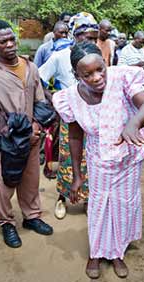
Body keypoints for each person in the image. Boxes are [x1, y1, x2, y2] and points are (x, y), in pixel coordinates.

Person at [52, 42, 144, 279]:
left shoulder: (123, 78)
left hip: (128, 157)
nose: (97, 77)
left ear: (106, 63)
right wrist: (77, 175)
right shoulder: (70, 98)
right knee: (99, 206)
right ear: (76, 75)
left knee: (123, 203)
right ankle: (96, 253)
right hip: (98, 159)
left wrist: (134, 122)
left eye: (100, 69)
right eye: (87, 74)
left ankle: (117, 252)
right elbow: (76, 136)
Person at [0, 20, 53, 248]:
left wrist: (36, 126)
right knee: (4, 184)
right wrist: (18, 132)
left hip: (32, 136)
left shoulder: (30, 67)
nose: (10, 44)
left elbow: (40, 100)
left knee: (31, 180)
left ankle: (31, 217)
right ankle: (6, 223)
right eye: (3, 41)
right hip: (7, 141)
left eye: (12, 39)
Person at [39, 12, 99, 220]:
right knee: (67, 159)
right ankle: (62, 198)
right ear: (75, 35)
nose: (91, 42)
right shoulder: (60, 57)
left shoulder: (97, 57)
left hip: (93, 117)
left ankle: (88, 199)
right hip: (71, 117)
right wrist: (55, 100)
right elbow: (39, 79)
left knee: (90, 157)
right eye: (87, 37)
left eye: (94, 38)